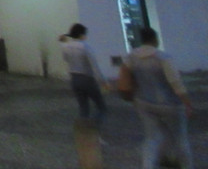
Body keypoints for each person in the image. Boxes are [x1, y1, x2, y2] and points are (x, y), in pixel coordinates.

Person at [124, 26, 194, 169]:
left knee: (151, 138)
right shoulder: (163, 58)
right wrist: (187, 103)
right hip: (170, 104)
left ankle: (148, 165)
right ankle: (186, 165)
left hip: (144, 102)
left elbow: (128, 78)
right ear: (155, 39)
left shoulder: (131, 57)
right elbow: (176, 83)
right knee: (181, 138)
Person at [58, 23, 109, 124]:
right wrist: (103, 81)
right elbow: (94, 66)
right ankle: (95, 127)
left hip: (74, 79)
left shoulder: (66, 47)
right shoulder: (85, 47)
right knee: (101, 106)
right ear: (81, 34)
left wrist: (62, 42)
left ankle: (83, 132)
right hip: (87, 79)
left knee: (83, 107)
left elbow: (65, 58)